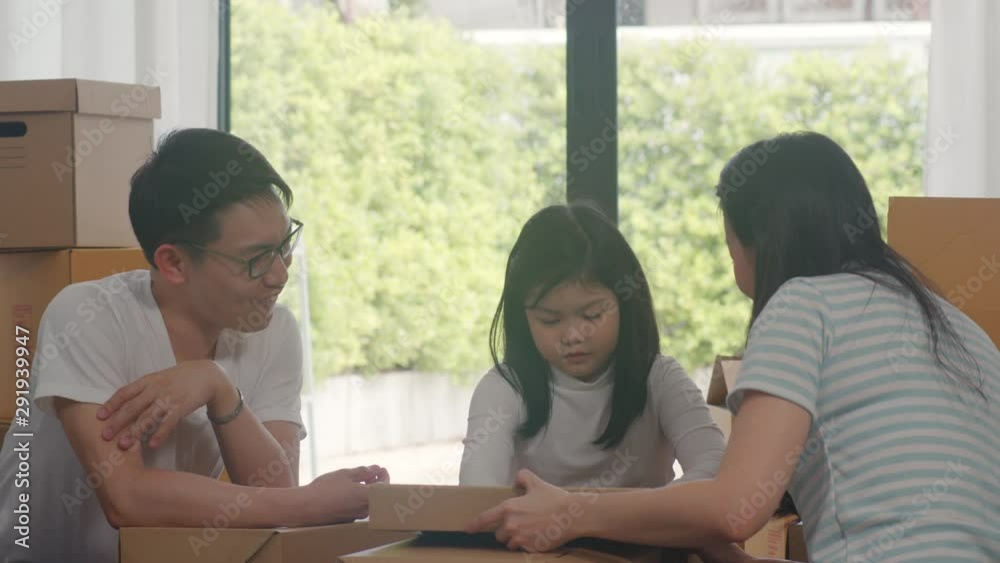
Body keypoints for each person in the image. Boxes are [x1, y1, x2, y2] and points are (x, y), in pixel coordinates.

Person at [467, 132, 999, 563]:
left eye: (729, 247)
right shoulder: (955, 324)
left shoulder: (802, 306)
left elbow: (735, 508)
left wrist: (571, 513)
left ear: (760, 242)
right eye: (551, 318)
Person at [0, 129, 387, 563]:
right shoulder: (87, 316)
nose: (279, 275)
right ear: (174, 262)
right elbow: (127, 499)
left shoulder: (274, 330)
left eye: (284, 246)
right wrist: (309, 504)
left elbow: (273, 490)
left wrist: (218, 387)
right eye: (256, 258)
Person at [462, 203, 752, 561]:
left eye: (592, 315)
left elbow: (716, 473)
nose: (573, 335)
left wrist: (587, 517)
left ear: (626, 304)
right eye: (550, 320)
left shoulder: (660, 379)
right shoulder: (504, 388)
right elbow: (477, 498)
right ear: (523, 319)